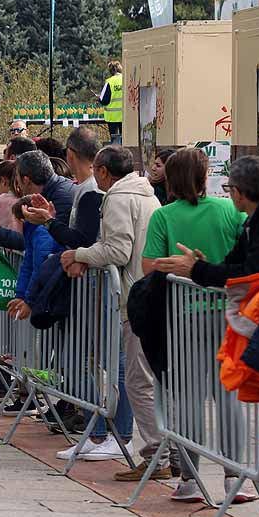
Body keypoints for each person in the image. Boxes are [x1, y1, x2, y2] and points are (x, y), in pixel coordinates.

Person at [153, 157, 259, 517]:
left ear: (238, 192)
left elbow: (252, 271)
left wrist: (197, 271)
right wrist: (205, 267)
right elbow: (238, 262)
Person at [138, 148, 248, 499]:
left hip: (183, 315)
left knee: (187, 396)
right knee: (227, 395)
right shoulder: (230, 211)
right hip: (228, 313)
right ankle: (234, 476)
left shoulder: (165, 216)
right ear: (204, 177)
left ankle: (189, 479)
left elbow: (148, 267)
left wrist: (178, 266)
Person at [58, 146, 159, 466]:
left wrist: (80, 255)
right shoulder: (146, 195)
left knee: (133, 377)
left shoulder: (117, 197)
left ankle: (142, 446)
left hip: (132, 295)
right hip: (143, 293)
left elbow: (117, 250)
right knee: (134, 375)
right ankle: (138, 444)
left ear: (103, 171)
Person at [99, 59, 124, 143]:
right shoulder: (126, 79)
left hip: (112, 117)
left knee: (115, 141)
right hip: (125, 116)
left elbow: (104, 100)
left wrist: (99, 98)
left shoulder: (109, 81)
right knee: (125, 140)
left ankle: (116, 155)